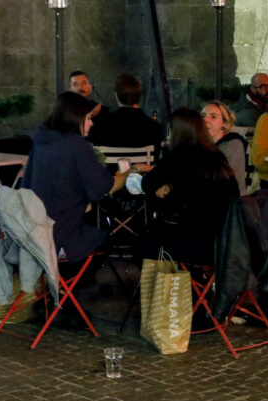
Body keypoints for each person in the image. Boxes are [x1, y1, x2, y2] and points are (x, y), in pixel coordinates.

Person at [22, 92, 127, 264]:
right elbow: (103, 187)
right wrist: (129, 173)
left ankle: (63, 285)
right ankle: (73, 284)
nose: (91, 123)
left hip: (32, 235)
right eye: (88, 118)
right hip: (61, 238)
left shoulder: (41, 142)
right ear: (75, 119)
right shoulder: (77, 146)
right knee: (104, 237)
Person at [137, 108, 239, 264]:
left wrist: (166, 190)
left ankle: (169, 285)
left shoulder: (178, 157)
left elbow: (147, 184)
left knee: (141, 242)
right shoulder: (217, 156)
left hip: (190, 242)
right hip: (224, 242)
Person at [88, 73, 161, 156]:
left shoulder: (101, 127)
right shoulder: (155, 128)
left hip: (113, 169)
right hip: (143, 169)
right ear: (140, 95)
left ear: (116, 95)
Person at [202, 100, 248, 195]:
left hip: (230, 204)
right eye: (203, 116)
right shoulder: (202, 145)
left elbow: (218, 182)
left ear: (225, 124)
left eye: (213, 117)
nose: (205, 120)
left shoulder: (233, 145)